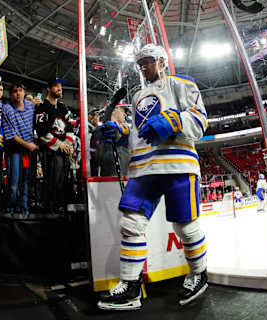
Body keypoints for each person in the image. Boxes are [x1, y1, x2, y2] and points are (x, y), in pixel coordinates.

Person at [97, 44, 209, 310]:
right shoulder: (138, 96)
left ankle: (199, 274)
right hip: (143, 169)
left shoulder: (182, 84)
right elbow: (139, 133)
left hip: (177, 165)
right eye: (141, 64)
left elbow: (200, 120)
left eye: (147, 62)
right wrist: (122, 133)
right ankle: (131, 288)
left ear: (161, 61)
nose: (143, 68)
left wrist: (173, 121)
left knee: (185, 227)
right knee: (131, 224)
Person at [34, 78, 75, 213]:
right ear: (49, 89)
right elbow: (41, 131)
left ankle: (60, 207)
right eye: (56, 86)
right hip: (49, 151)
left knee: (63, 181)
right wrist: (59, 144)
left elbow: (70, 128)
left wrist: (67, 144)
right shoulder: (42, 108)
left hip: (63, 151)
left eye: (61, 87)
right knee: (51, 181)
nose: (60, 89)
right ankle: (50, 209)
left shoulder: (63, 107)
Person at [1, 83, 37, 214]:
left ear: (24, 92)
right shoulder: (7, 109)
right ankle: (10, 209)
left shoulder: (30, 106)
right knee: (14, 184)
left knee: (26, 183)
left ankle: (24, 209)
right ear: (10, 95)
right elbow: (11, 136)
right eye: (15, 91)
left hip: (28, 151)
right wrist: (28, 145)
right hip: (15, 150)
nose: (18, 93)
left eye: (20, 90)